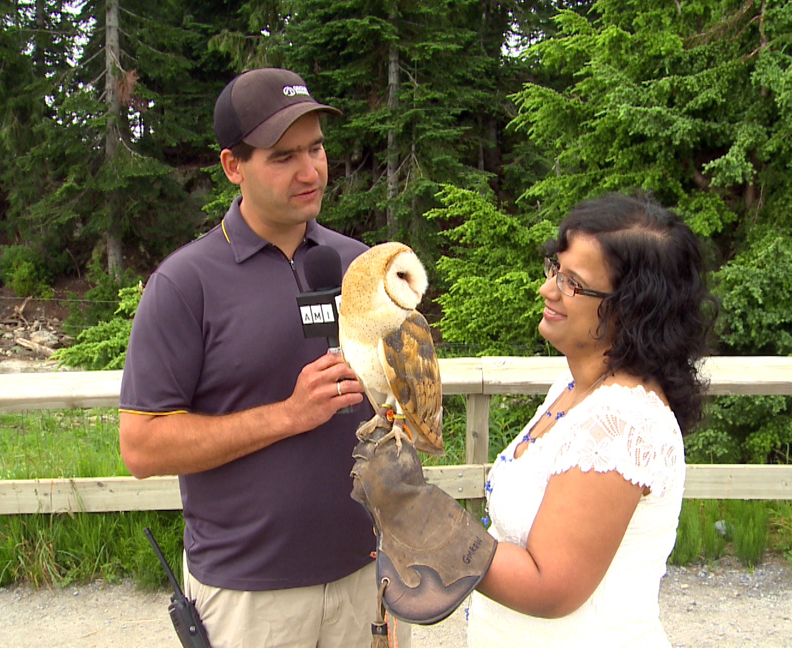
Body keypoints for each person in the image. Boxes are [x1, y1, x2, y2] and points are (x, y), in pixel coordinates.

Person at [119, 67, 409, 648]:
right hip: (250, 599)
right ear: (234, 166)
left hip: (367, 576)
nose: (310, 171)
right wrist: (288, 414)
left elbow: (397, 407)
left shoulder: (363, 268)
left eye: (317, 149)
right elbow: (142, 446)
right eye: (283, 157)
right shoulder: (185, 284)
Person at [351, 192, 714, 647]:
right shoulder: (573, 387)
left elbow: (551, 586)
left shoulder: (622, 422)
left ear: (633, 308)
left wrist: (416, 511)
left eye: (573, 284)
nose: (547, 289)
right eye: (555, 270)